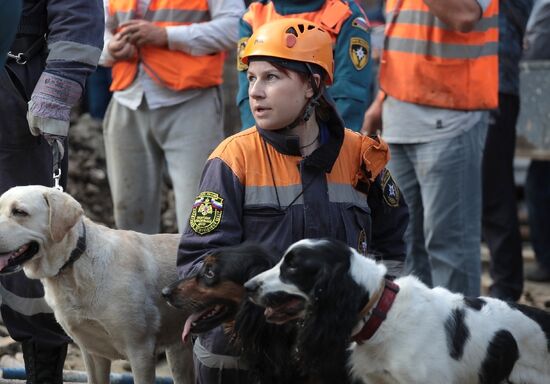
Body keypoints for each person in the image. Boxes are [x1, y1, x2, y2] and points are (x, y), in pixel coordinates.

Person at [177, 18, 408, 383]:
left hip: (336, 340)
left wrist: (373, 317)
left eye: (272, 77)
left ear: (312, 85)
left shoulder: (361, 156)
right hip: (250, 344)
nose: (255, 91)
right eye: (251, 78)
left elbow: (391, 243)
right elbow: (197, 261)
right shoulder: (232, 159)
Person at [362, 0, 499, 297]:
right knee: (402, 242)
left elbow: (464, 15)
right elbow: (405, 35)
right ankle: (415, 336)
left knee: (450, 245)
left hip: (451, 117)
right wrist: (381, 99)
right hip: (399, 117)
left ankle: (458, 339)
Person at [0, 0, 104, 382]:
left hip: (15, 105)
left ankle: (43, 371)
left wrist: (57, 88)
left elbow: (78, 11)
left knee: (26, 236)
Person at [101, 0, 244, 234]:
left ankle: (195, 270)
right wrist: (109, 48)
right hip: (127, 100)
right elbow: (95, 26)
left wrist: (167, 35)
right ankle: (140, 270)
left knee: (200, 217)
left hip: (191, 102)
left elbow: (235, 27)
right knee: (130, 217)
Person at [236, 0, 374, 132]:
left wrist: (334, 143)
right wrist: (256, 141)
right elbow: (246, 90)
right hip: (264, 132)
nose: (255, 91)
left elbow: (349, 91)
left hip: (322, 133)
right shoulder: (254, 15)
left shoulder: (344, 14)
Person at [482, 0, 533, 302]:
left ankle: (506, 288)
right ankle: (505, 284)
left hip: (495, 85)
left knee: (493, 189)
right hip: (473, 86)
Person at [522, 0, 550, 282]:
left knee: (539, 181)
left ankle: (546, 260)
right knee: (539, 179)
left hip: (542, 83)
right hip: (540, 86)